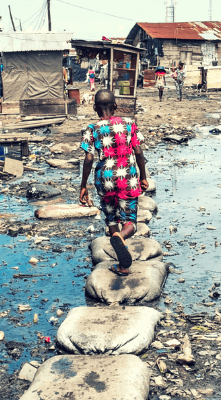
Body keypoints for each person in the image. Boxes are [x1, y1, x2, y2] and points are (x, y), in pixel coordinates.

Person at [79, 90, 148, 276]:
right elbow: (139, 152)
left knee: (111, 219)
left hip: (105, 179)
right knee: (130, 222)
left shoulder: (92, 128)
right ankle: (122, 237)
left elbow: (88, 158)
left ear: (95, 108)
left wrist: (83, 185)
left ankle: (120, 257)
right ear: (115, 106)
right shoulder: (129, 123)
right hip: (128, 178)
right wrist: (143, 177)